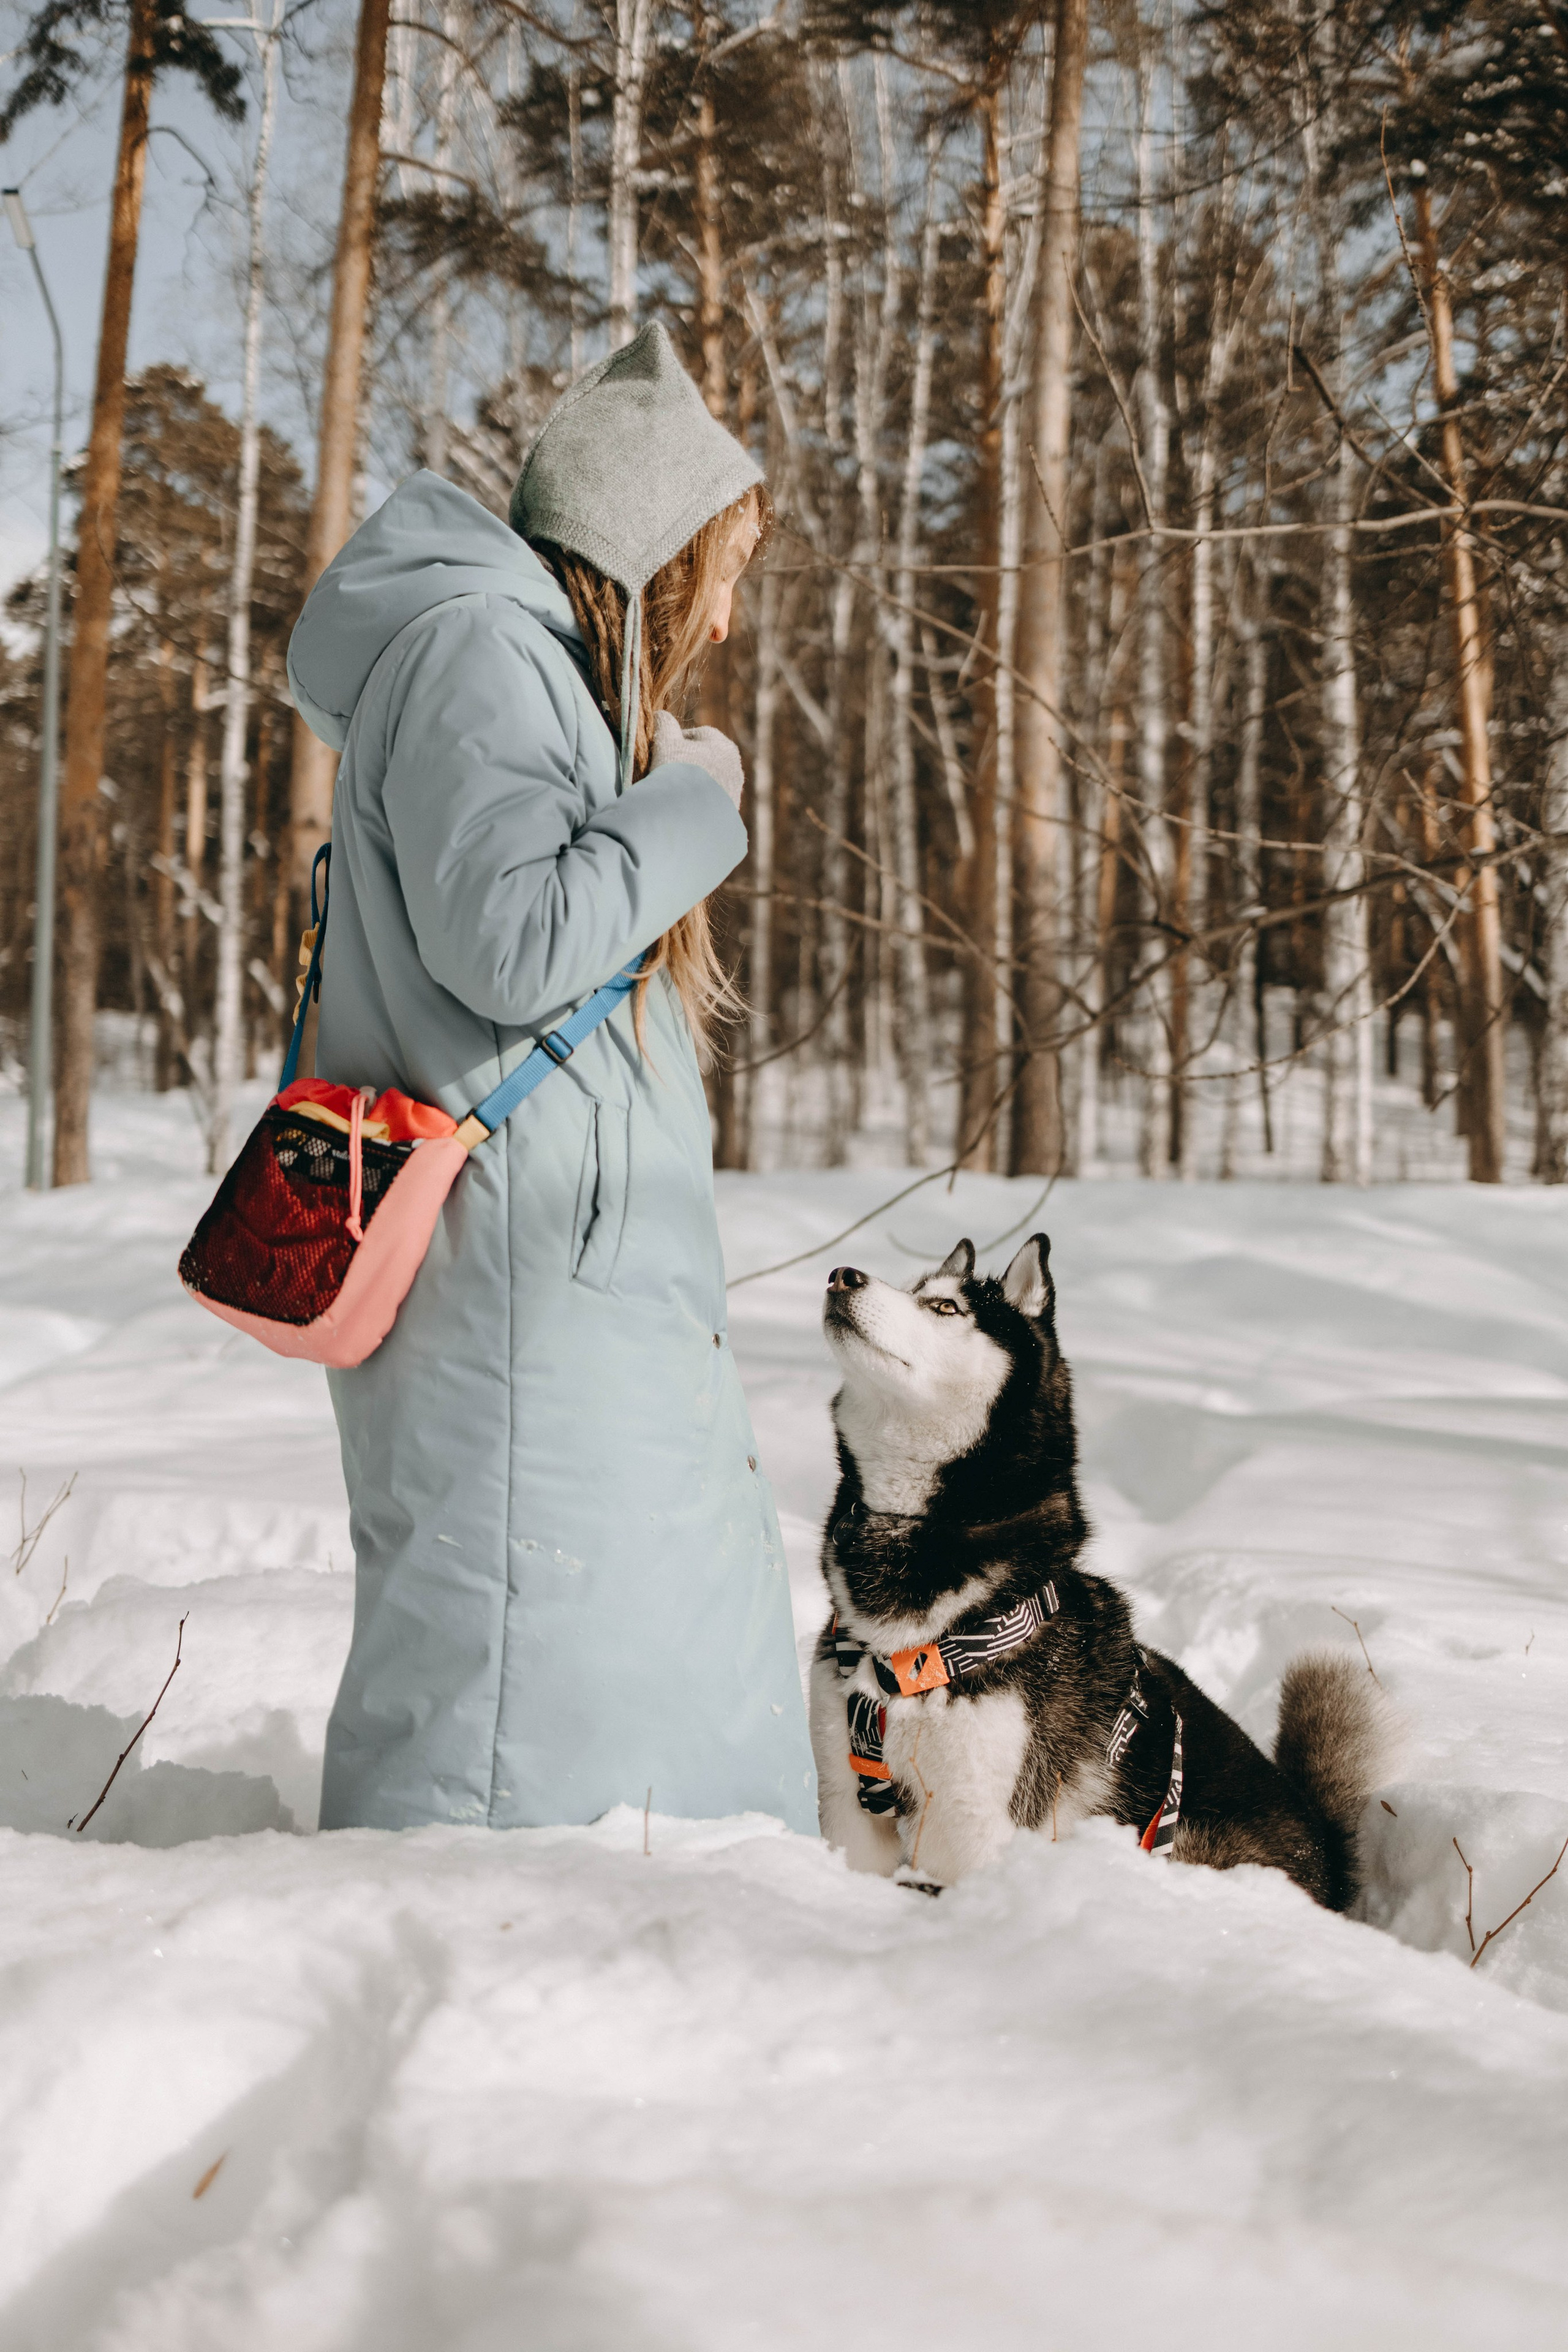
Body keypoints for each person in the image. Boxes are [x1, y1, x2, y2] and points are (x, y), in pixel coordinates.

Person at [286, 323, 816, 1835]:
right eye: (718, 573)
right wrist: (699, 801)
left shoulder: (530, 673)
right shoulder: (483, 653)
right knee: (523, 1696)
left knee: (610, 1666)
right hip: (514, 1281)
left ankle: (622, 1987)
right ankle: (484, 2000)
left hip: (551, 1273)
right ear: (649, 550)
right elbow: (515, 943)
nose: (718, 623)